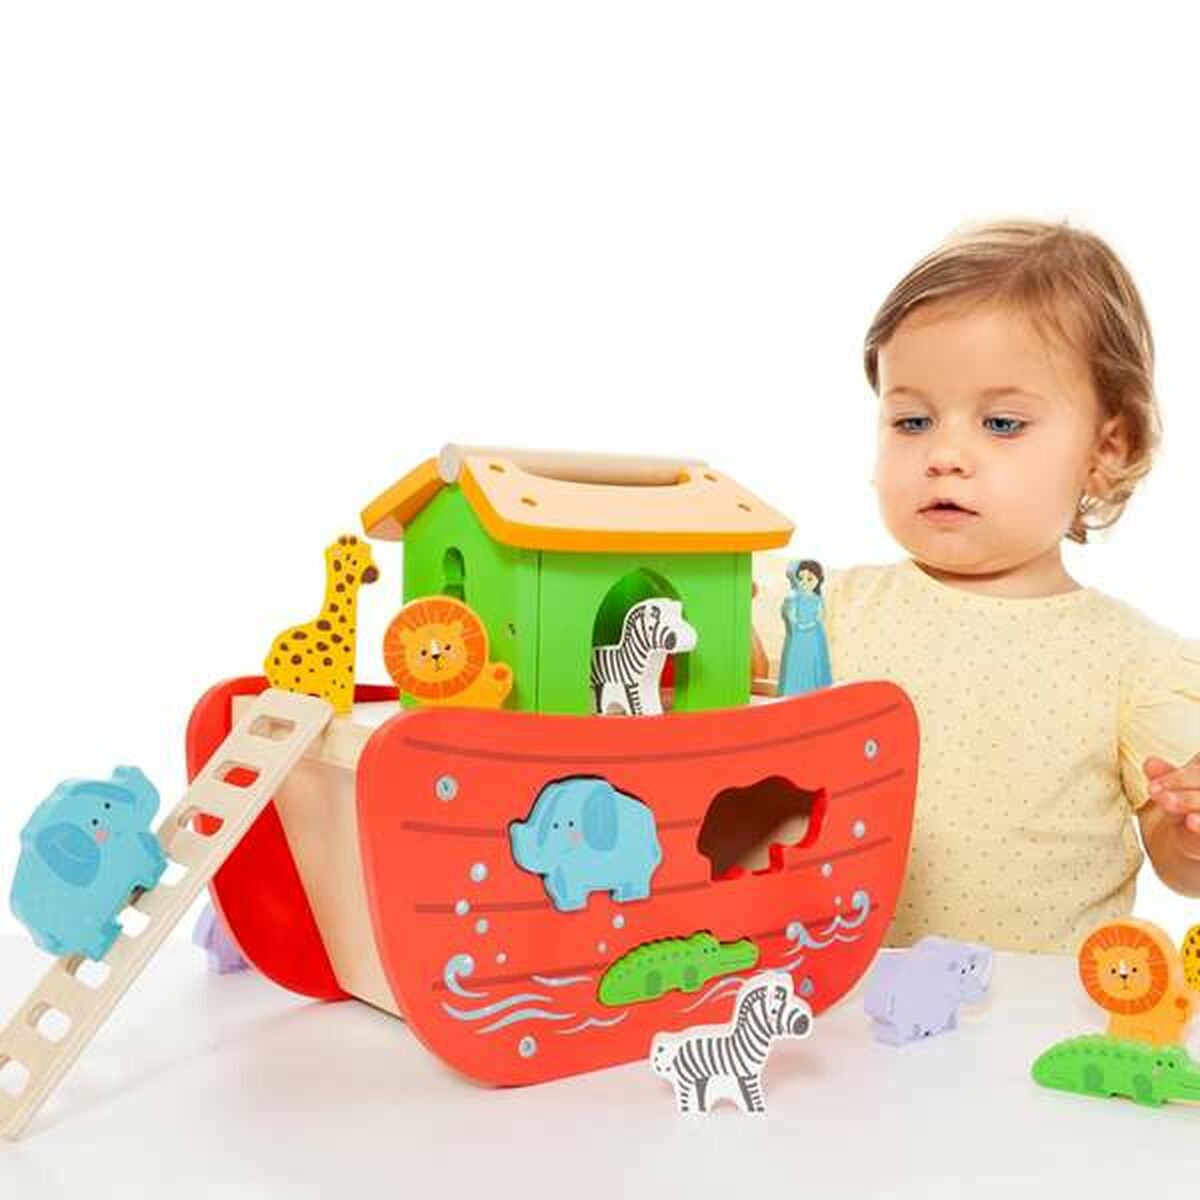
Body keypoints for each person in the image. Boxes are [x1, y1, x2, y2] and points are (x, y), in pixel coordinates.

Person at [756, 219, 1200, 953]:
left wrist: (1190, 829)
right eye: (912, 420)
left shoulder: (1137, 663)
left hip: (1040, 1014)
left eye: (1000, 423)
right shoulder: (823, 610)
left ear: (1104, 450)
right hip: (847, 1003)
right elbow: (697, 644)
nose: (945, 454)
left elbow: (1179, 866)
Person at [777, 558, 832, 696]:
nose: (805, 582)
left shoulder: (818, 600)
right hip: (798, 637)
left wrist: (808, 625)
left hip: (814, 637)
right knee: (796, 662)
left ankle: (815, 690)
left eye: (810, 579)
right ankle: (792, 691)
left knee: (814, 662)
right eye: (800, 578)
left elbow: (820, 616)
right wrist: (798, 625)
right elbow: (791, 616)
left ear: (819, 580)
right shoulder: (793, 599)